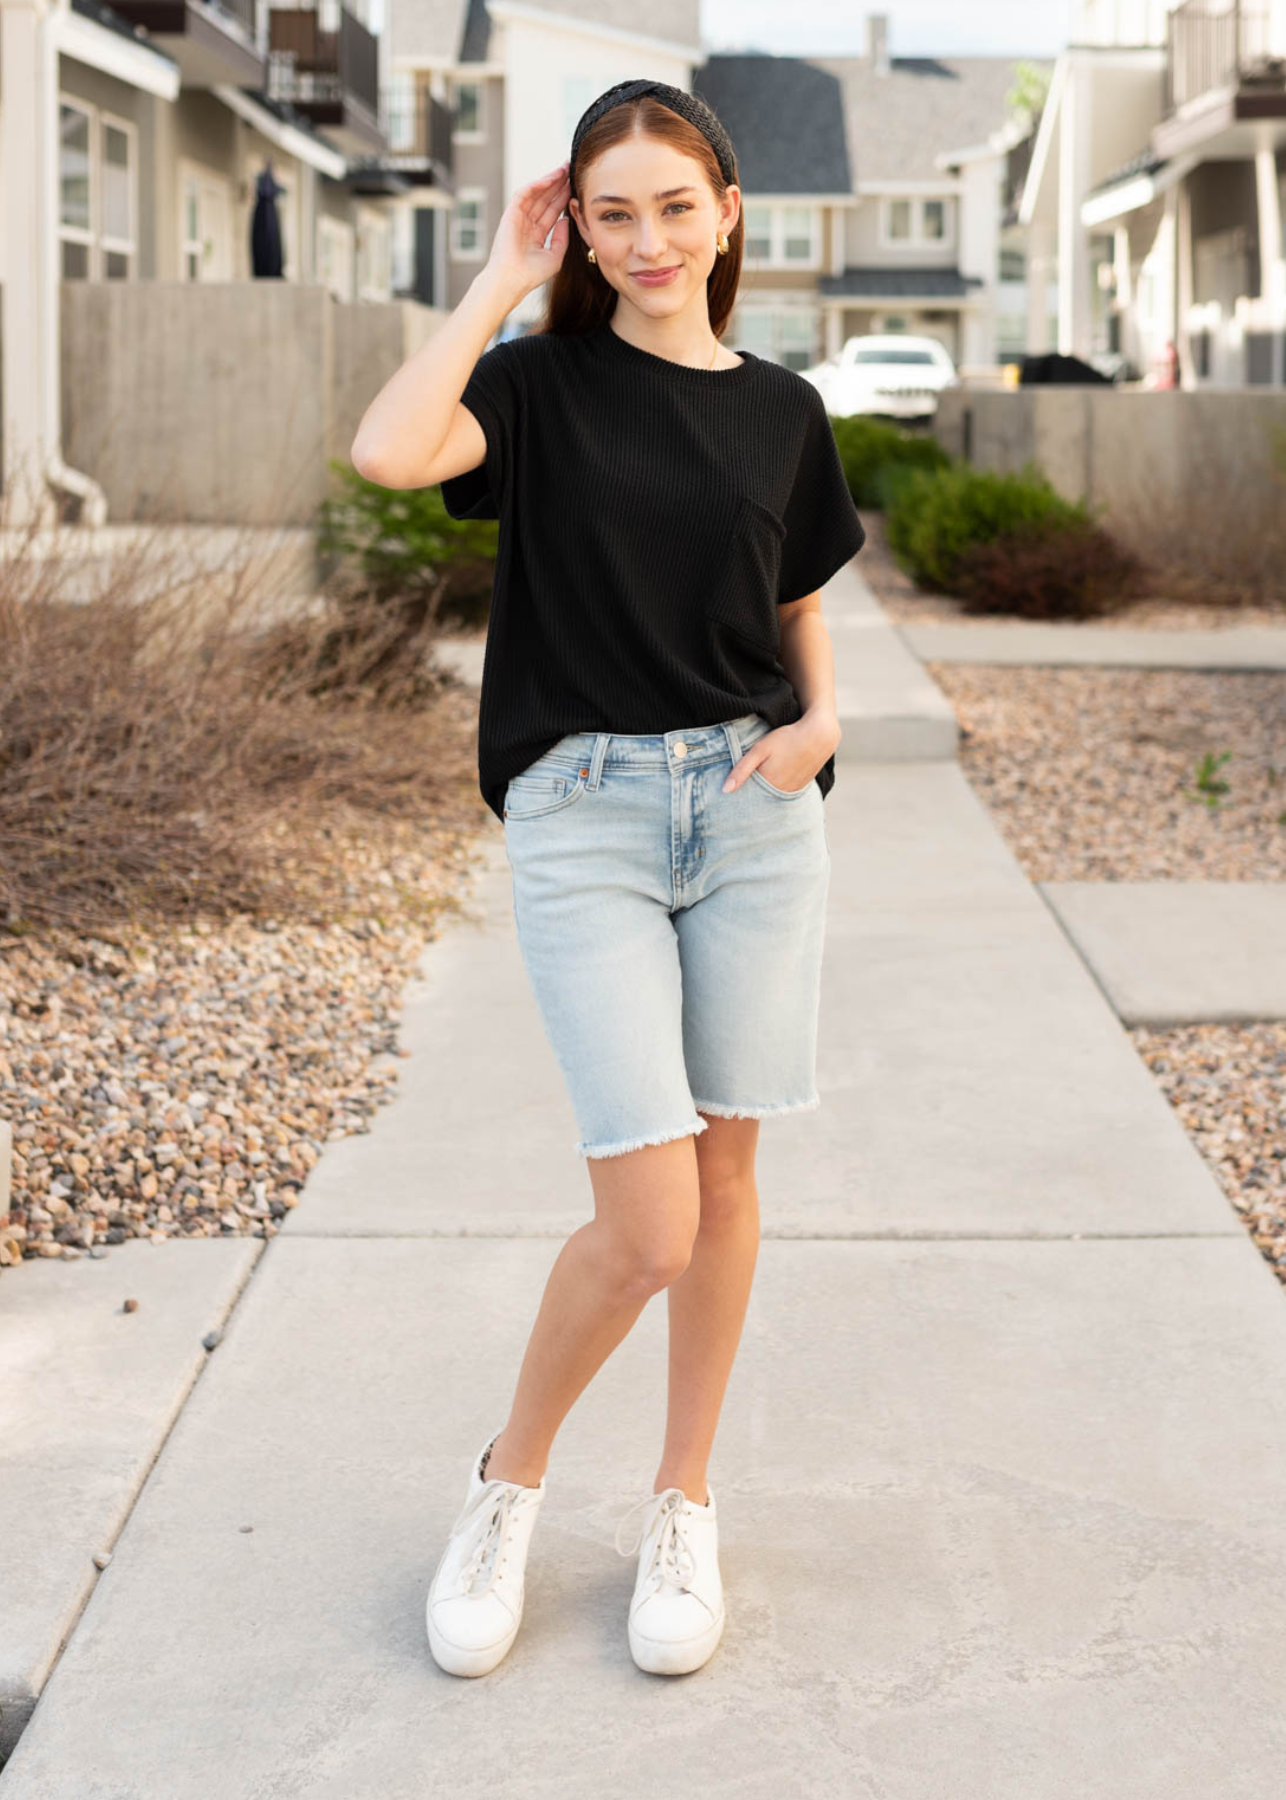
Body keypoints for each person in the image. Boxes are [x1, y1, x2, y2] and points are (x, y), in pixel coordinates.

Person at [350, 79, 866, 1680]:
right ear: (581, 220)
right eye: (611, 208)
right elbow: (384, 451)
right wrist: (500, 276)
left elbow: (790, 592)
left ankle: (682, 1503)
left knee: (723, 1189)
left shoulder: (781, 407)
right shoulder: (540, 384)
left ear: (725, 213)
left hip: (753, 810)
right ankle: (506, 1485)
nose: (647, 237)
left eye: (673, 204)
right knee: (640, 1218)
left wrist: (821, 726)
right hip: (582, 814)